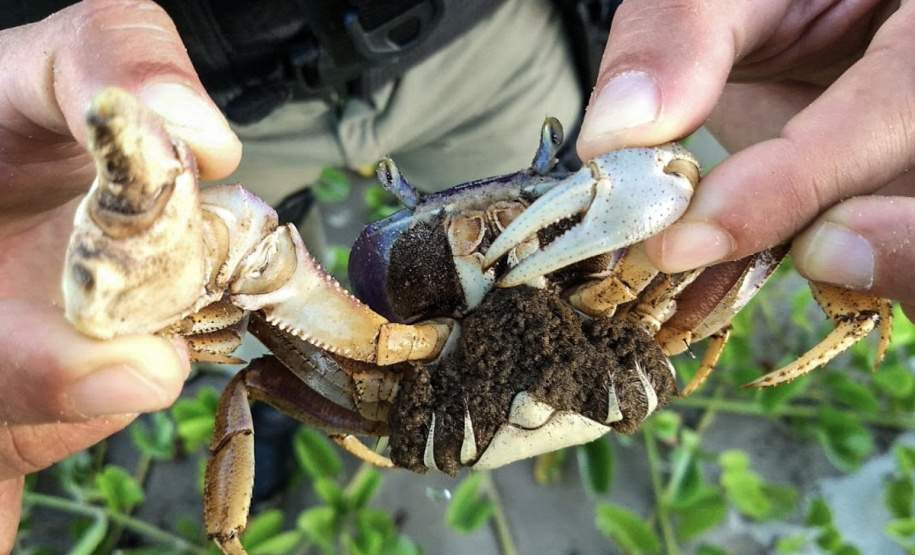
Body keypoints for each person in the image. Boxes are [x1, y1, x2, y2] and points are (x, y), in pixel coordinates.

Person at [1, 0, 913, 550]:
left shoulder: (630, 283)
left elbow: (725, 209)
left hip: (479, 44)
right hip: (216, 94)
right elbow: (240, 266)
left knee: (738, 207)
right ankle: (268, 442)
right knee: (243, 308)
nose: (495, 247)